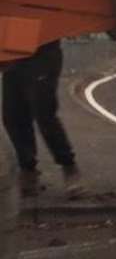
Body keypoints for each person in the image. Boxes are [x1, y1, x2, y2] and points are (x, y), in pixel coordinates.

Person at [1, 40, 82, 197]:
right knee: (13, 116)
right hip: (14, 53)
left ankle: (69, 167)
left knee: (44, 114)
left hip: (43, 52)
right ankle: (28, 170)